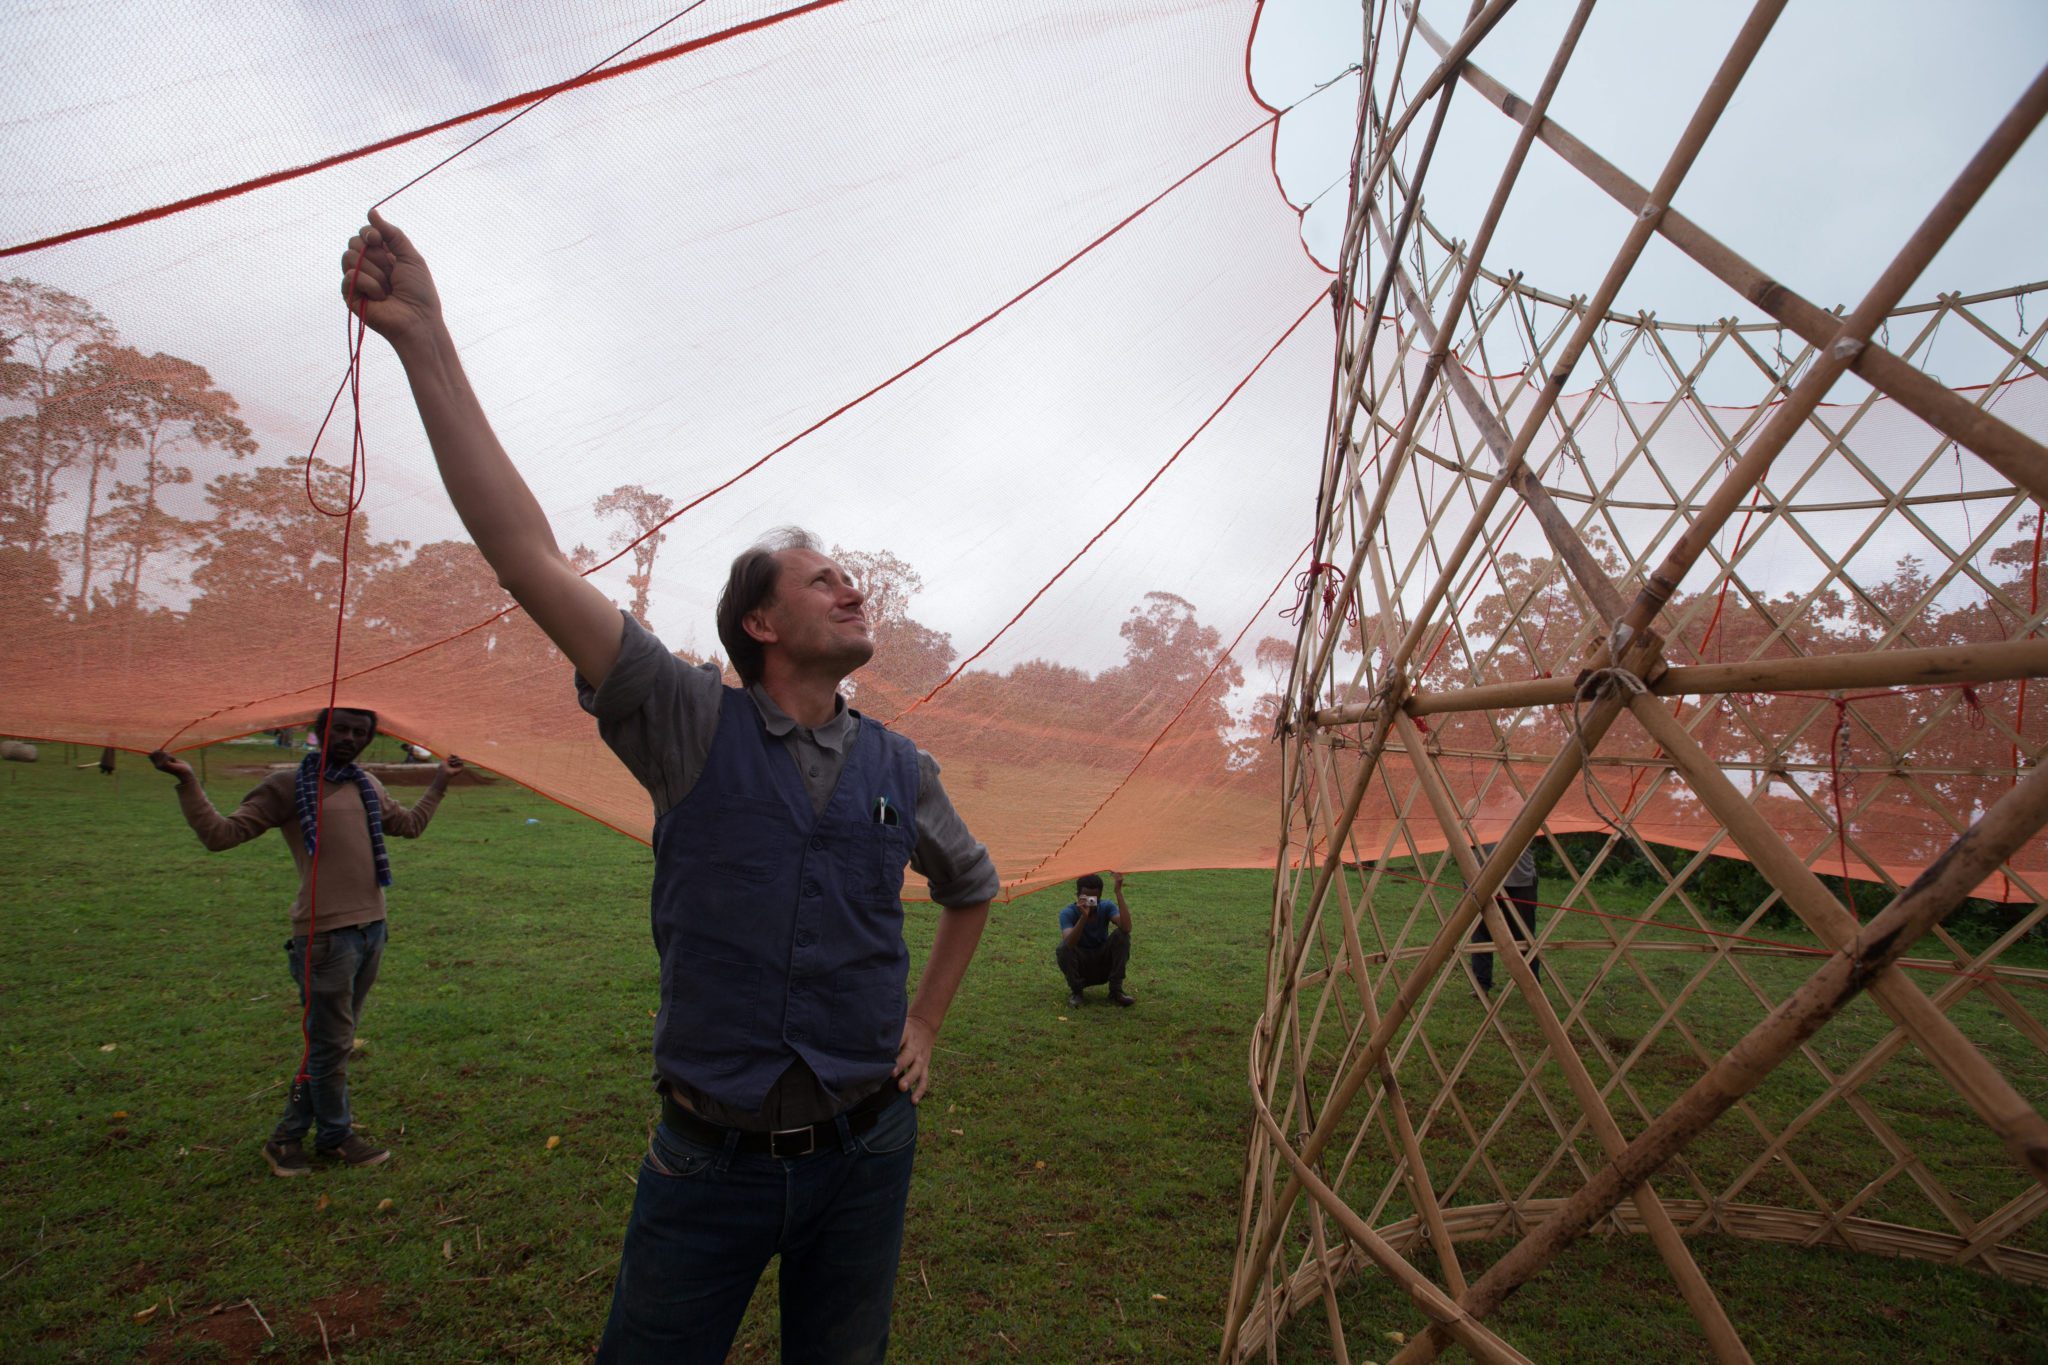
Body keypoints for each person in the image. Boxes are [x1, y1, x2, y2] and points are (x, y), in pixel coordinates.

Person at [342, 209, 997, 1364]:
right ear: (759, 621)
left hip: (867, 1153)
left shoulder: (903, 765)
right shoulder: (687, 719)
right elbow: (528, 557)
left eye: (854, 577)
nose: (854, 589)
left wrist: (926, 1025)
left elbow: (971, 887)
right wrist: (425, 345)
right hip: (708, 1166)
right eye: (823, 578)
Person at [148, 710, 462, 1175]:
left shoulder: (366, 785)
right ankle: (330, 1135)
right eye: (342, 730)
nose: (350, 739)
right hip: (325, 938)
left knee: (331, 1046)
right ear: (322, 732)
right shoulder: (286, 785)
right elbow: (221, 835)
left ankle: (290, 1137)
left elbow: (410, 826)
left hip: (372, 929)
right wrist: (187, 780)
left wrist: (439, 784)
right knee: (330, 1046)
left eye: (360, 732)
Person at [1469, 840, 1542, 992]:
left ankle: (1532, 983)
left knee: (1523, 933)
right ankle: (1481, 984)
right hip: (1481, 875)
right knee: (1480, 932)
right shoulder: (1473, 814)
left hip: (1519, 878)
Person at [1056, 872, 1134, 1008]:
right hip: (1082, 966)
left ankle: (1116, 990)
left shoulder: (1106, 906)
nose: (1090, 902)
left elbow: (1126, 928)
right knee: (1063, 949)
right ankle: (1077, 992)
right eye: (1085, 897)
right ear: (1077, 895)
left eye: (1094, 898)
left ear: (1100, 897)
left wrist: (1118, 893)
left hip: (1103, 962)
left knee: (1122, 936)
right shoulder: (1068, 913)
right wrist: (1083, 917)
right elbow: (1069, 944)